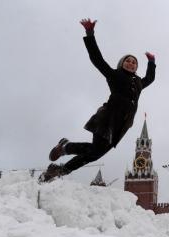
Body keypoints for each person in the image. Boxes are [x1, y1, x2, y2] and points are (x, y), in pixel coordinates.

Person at [39, 18, 156, 183]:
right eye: (128, 61)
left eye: (134, 62)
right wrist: (90, 34)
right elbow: (97, 59)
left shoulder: (138, 83)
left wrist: (151, 62)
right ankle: (61, 164)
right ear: (122, 64)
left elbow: (150, 79)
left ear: (136, 67)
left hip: (121, 126)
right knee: (95, 151)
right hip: (108, 119)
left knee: (95, 153)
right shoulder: (115, 75)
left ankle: (63, 153)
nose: (131, 63)